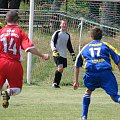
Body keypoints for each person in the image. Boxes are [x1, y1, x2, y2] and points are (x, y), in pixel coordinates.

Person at [0, 10, 50, 108]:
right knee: (17, 88)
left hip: (1, 62)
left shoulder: (1, 32)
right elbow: (29, 48)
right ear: (17, 20)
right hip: (14, 64)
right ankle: (8, 92)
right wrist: (42, 55)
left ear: (6, 19)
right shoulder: (20, 32)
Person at [73, 26, 120, 120]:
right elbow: (118, 59)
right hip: (105, 74)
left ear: (91, 36)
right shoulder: (106, 45)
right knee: (114, 97)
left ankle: (83, 117)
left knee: (88, 91)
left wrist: (76, 81)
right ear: (101, 36)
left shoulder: (86, 47)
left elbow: (77, 64)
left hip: (91, 74)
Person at [50, 20, 76, 88]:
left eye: (65, 24)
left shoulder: (67, 35)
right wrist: (54, 50)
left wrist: (72, 54)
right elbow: (52, 42)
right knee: (60, 67)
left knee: (61, 70)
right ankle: (54, 83)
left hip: (64, 54)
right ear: (60, 25)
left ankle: (57, 84)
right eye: (63, 24)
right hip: (57, 53)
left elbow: (69, 46)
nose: (64, 25)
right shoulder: (57, 33)